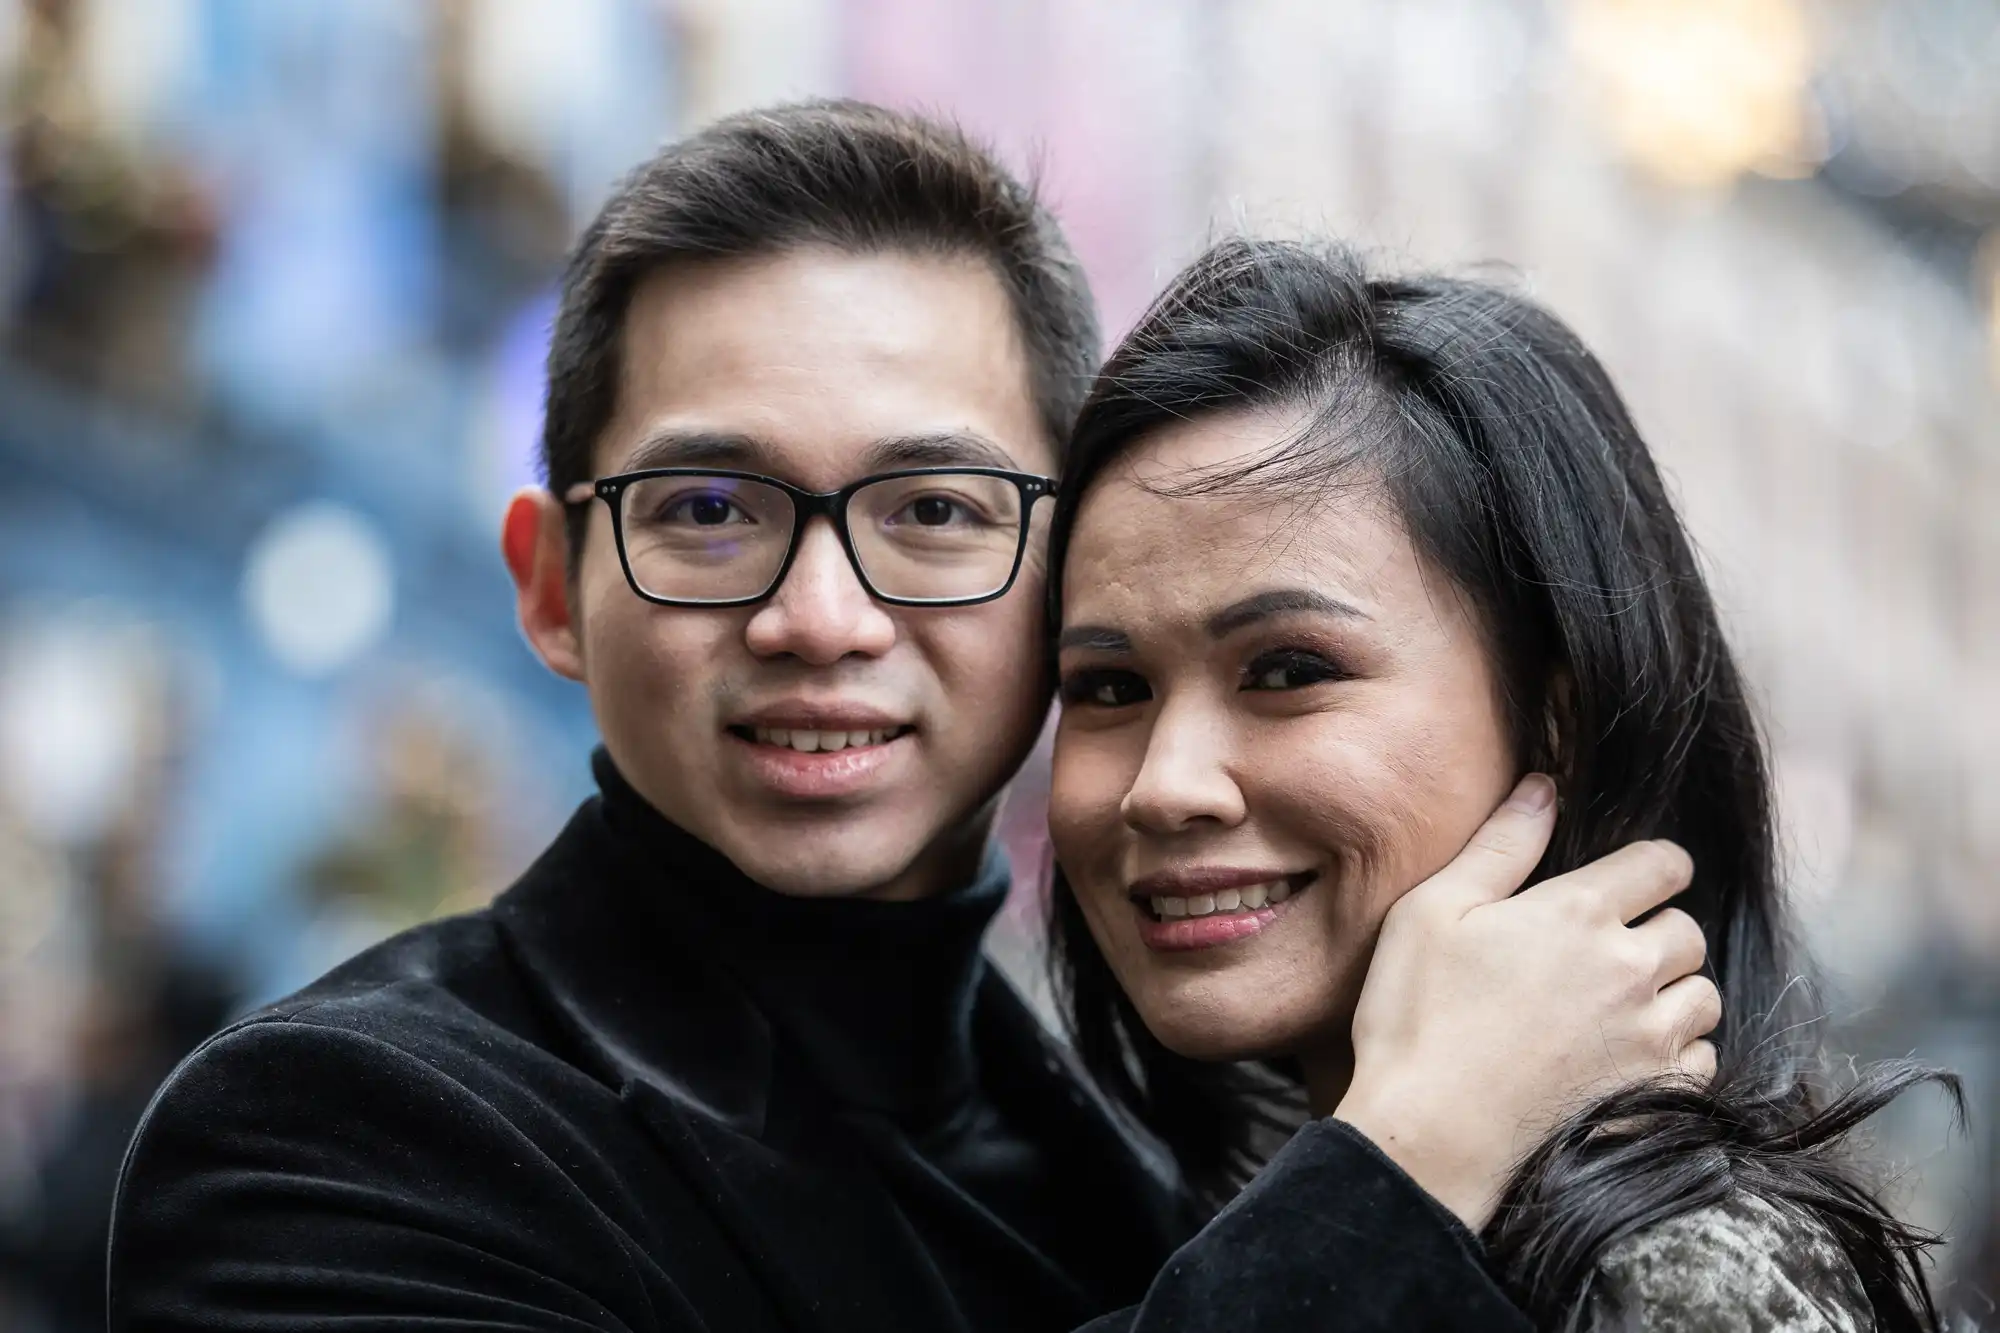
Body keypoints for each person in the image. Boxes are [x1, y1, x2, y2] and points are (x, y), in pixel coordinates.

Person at [110, 104, 1715, 1332]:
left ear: (1061, 572)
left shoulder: (1148, 1154)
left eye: (935, 510)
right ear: (550, 589)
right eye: (711, 508)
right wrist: (1405, 1168)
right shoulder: (332, 1140)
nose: (820, 616)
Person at [1044, 238, 1954, 1331]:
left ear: (1556, 722)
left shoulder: (1682, 1276)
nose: (1164, 784)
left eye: (1287, 670)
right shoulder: (1133, 1224)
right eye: (1106, 686)